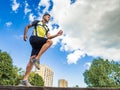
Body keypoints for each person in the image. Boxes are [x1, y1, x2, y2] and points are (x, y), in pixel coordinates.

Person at [19, 13, 63, 86]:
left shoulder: (47, 28)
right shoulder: (37, 22)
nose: (49, 18)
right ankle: (37, 59)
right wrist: (25, 34)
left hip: (39, 44)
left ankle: (24, 80)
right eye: (48, 17)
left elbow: (48, 37)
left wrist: (57, 34)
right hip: (34, 38)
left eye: (50, 18)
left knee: (31, 60)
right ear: (43, 17)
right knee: (49, 42)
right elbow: (27, 26)